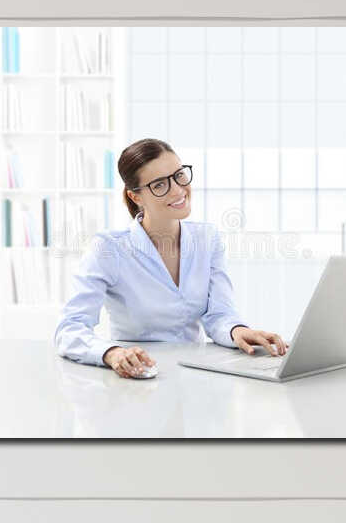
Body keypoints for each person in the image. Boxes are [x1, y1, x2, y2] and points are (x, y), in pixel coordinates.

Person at [52, 138, 287, 377]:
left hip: (198, 374)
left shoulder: (207, 239)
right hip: (139, 375)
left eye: (179, 175)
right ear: (136, 197)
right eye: (159, 185)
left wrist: (237, 330)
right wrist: (112, 353)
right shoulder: (108, 249)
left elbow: (219, 314)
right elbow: (69, 329)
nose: (177, 190)